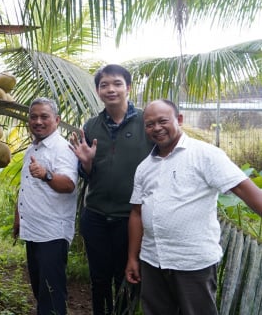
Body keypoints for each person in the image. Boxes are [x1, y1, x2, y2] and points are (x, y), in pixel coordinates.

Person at [125, 99, 262, 314]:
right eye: (150, 124)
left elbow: (245, 190)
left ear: (179, 120)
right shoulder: (144, 167)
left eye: (163, 121)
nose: (156, 128)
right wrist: (133, 258)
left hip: (193, 263)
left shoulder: (205, 154)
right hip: (153, 261)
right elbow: (136, 213)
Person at [69, 64, 154, 314]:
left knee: (126, 278)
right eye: (104, 85)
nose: (111, 89)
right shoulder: (92, 126)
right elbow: (86, 173)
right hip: (95, 215)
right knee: (98, 278)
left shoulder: (145, 123)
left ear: (128, 87)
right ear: (98, 90)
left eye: (117, 84)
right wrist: (85, 163)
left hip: (131, 217)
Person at [13, 98, 79, 315]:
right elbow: (27, 186)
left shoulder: (62, 148)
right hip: (33, 231)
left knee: (51, 294)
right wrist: (18, 217)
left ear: (57, 120)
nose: (38, 121)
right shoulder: (34, 147)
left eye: (44, 117)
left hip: (52, 234)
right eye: (34, 117)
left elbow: (69, 184)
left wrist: (46, 174)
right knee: (40, 291)